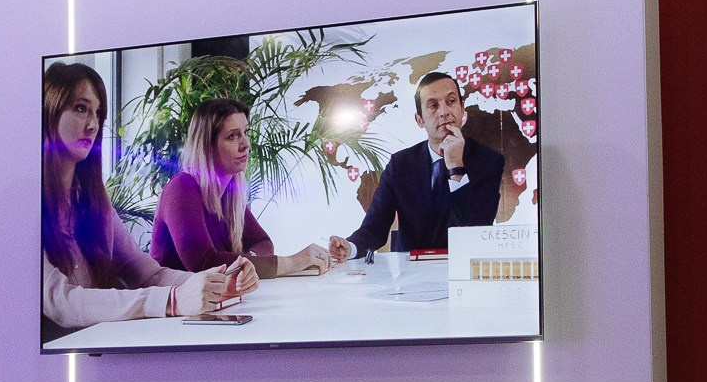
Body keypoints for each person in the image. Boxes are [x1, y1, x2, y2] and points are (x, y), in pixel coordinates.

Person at [42, 60, 244, 335]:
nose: (92, 125)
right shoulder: (27, 204)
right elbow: (61, 302)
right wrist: (172, 300)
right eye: (80, 108)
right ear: (49, 110)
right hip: (49, 358)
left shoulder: (95, 204)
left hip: (100, 347)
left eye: (98, 113)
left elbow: (148, 274)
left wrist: (218, 283)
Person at [328, 70, 505, 262]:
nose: (444, 112)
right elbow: (375, 226)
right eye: (433, 106)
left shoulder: (489, 161)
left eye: (451, 101)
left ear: (463, 109)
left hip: (463, 268)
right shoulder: (400, 164)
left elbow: (477, 230)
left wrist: (456, 167)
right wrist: (350, 248)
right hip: (410, 270)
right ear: (420, 120)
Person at [151, 99, 329, 280]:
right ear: (207, 146)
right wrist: (291, 262)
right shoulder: (182, 188)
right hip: (171, 297)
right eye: (232, 136)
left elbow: (263, 242)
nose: (246, 144)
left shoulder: (229, 194)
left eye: (245, 132)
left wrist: (248, 261)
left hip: (215, 296)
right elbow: (203, 263)